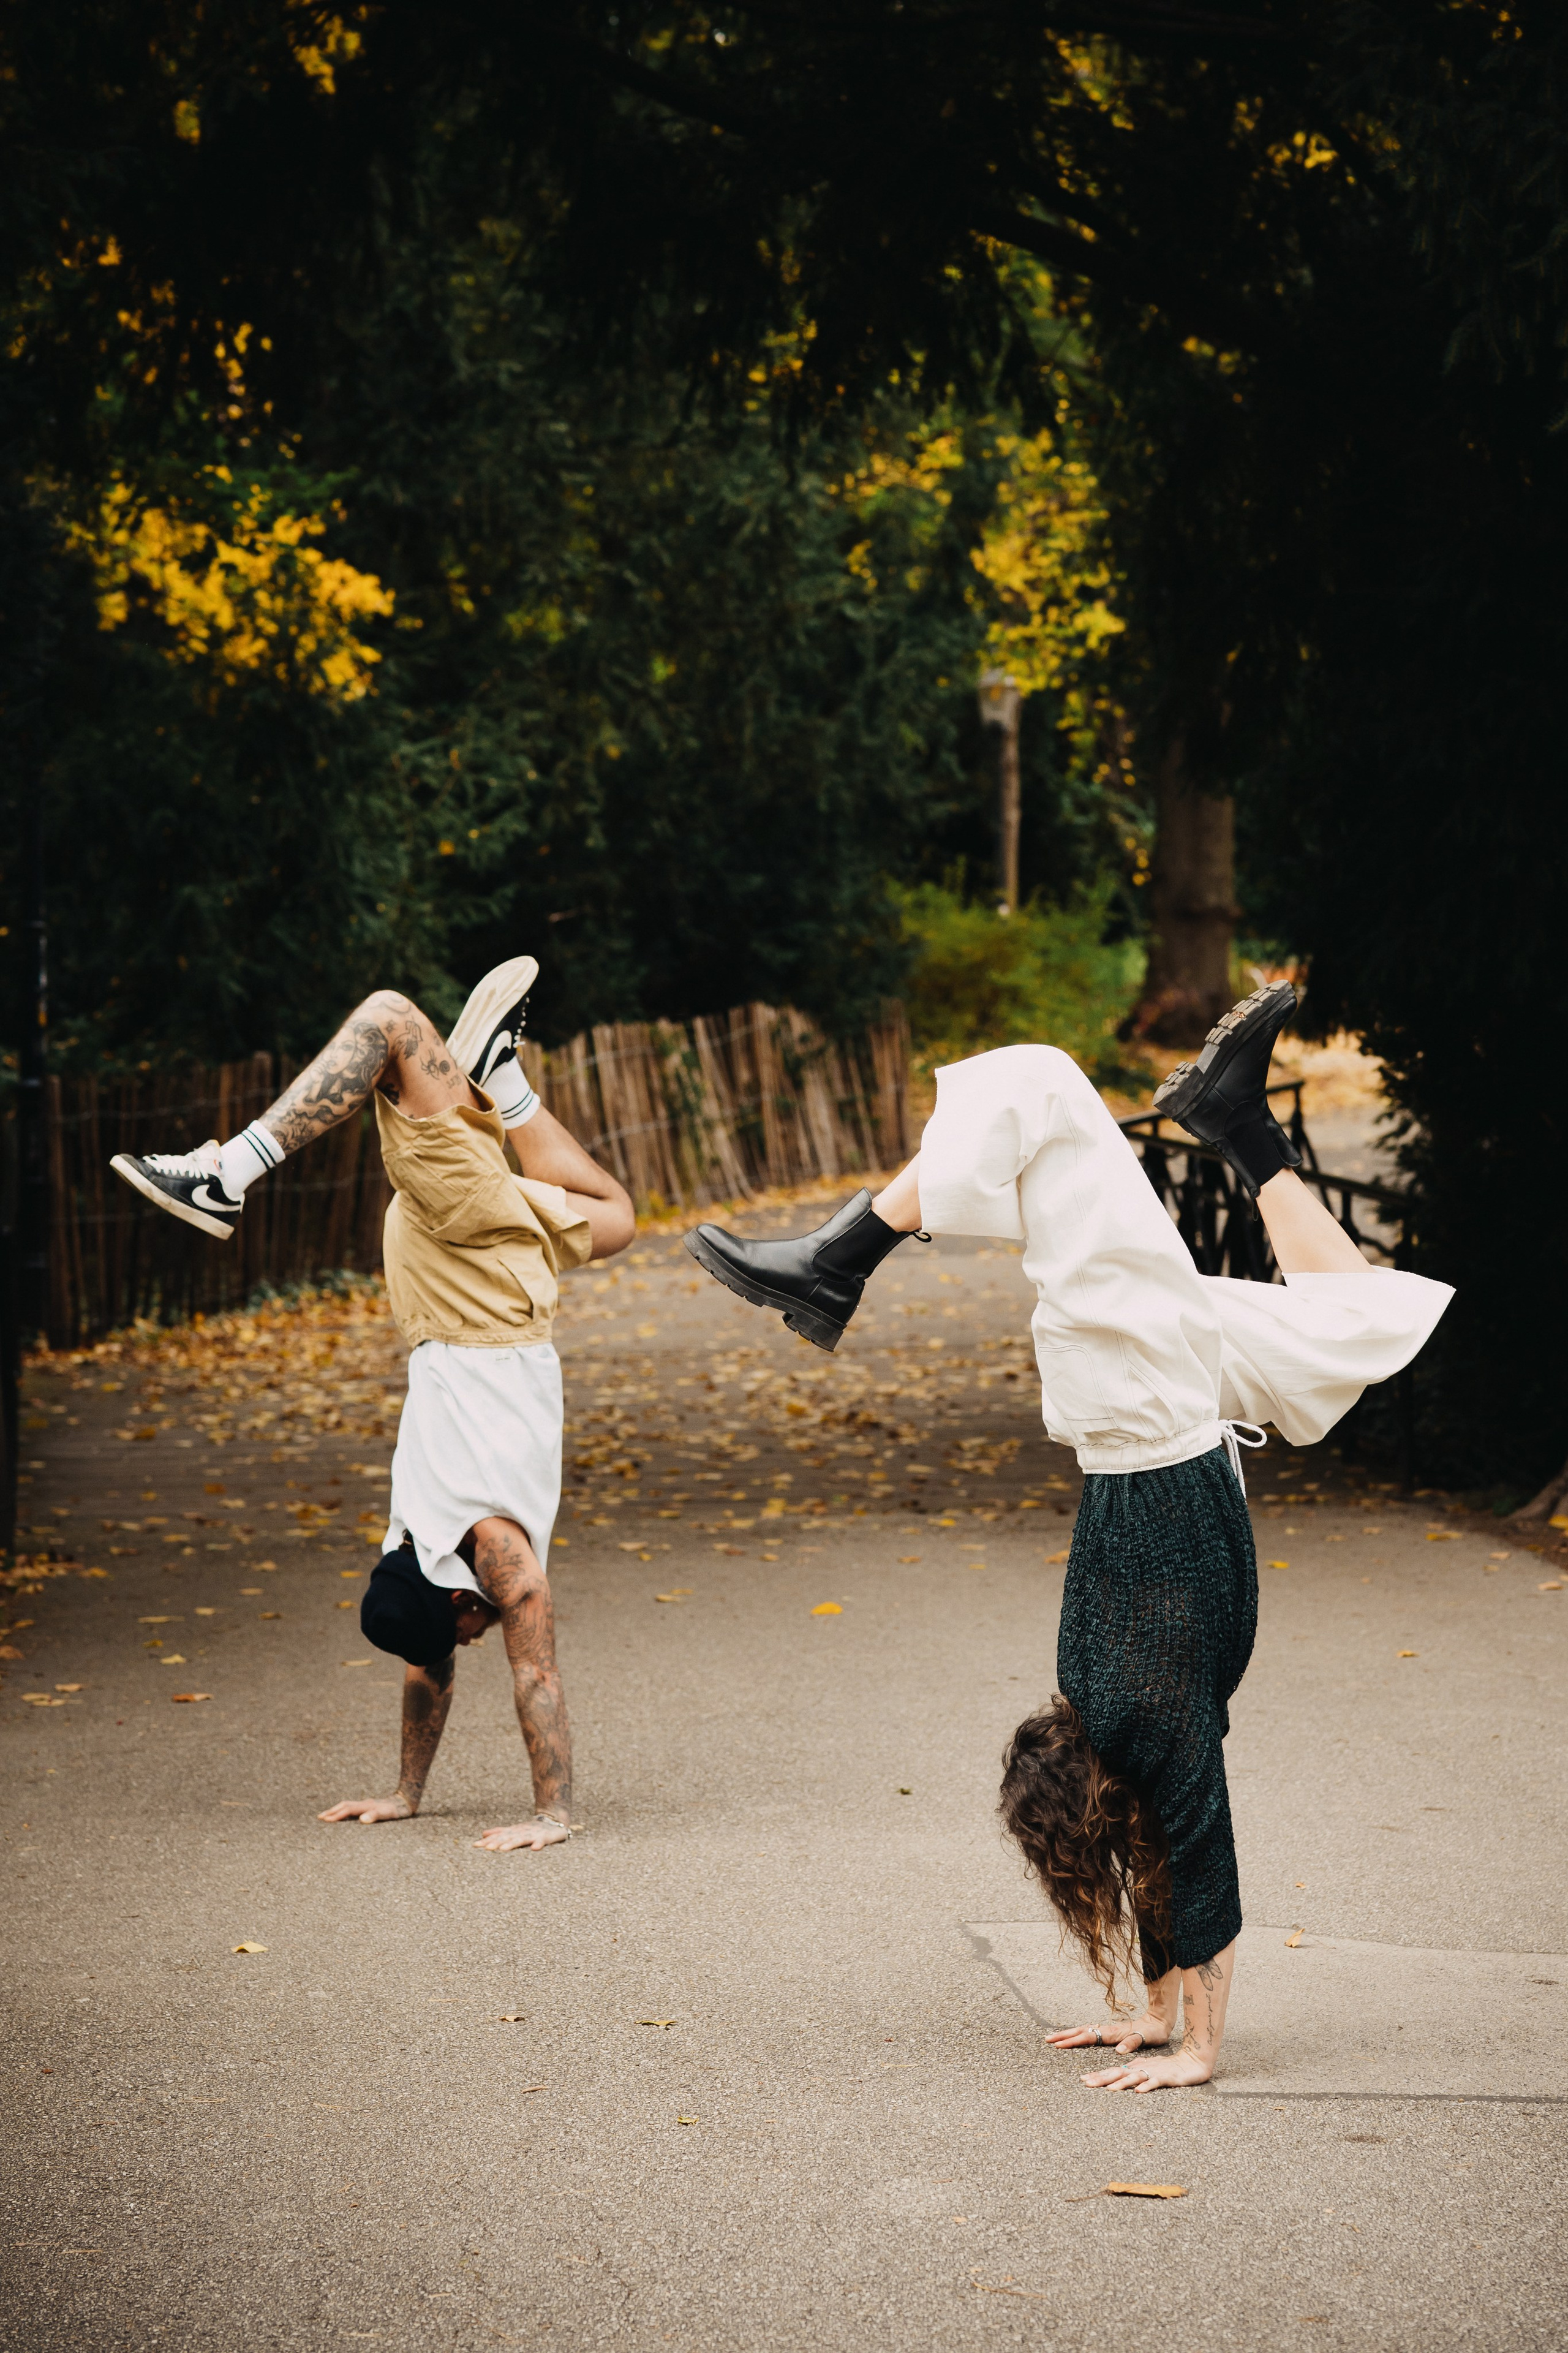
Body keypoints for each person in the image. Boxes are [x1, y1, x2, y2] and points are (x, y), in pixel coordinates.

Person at [684, 980, 1453, 2090]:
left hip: (1153, 1402)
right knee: (1046, 1089)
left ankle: (1221, 1123)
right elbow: (1195, 1858)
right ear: (1078, 1761)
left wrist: (1158, 2014)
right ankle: (844, 1260)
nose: (1044, 1720)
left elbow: (1164, 1850)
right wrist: (1192, 2047)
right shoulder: (1125, 1704)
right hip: (1137, 1390)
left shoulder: (1138, 1724)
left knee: (1052, 1148)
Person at [111, 957, 635, 1851]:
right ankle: (499, 1080)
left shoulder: (492, 1557)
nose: (474, 1637)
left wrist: (551, 1815)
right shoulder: (409, 1542)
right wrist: (404, 1794)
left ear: (456, 1599)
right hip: (475, 1277)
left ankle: (227, 1173)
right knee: (614, 1213)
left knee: (392, 1018)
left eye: (465, 1629)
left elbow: (534, 1673)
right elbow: (426, 1663)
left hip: (470, 1270)